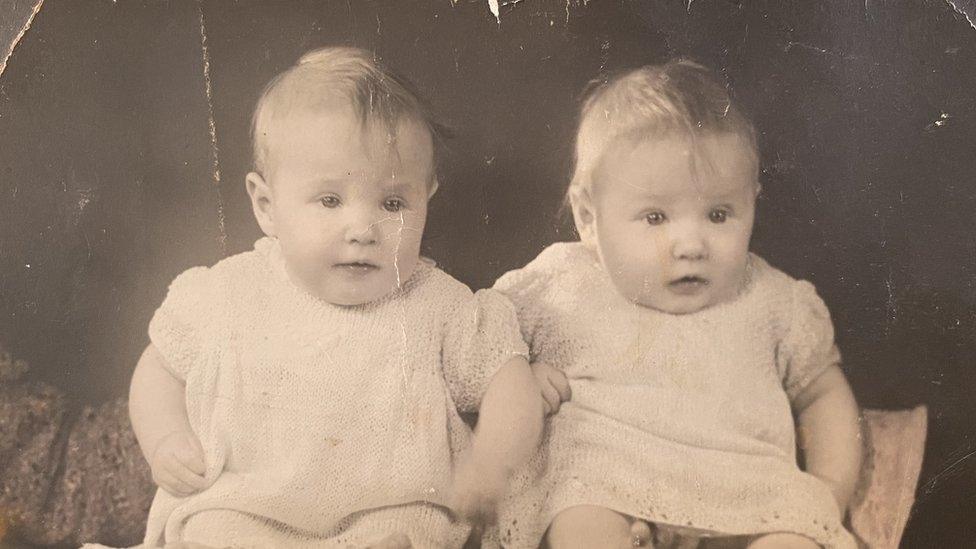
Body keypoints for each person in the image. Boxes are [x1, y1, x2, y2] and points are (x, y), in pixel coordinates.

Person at [127, 47, 564, 548]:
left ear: (427, 199)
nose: (362, 229)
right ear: (267, 206)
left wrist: (490, 462)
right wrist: (164, 440)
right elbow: (158, 367)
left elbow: (507, 379)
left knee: (417, 527)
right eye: (330, 200)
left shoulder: (438, 305)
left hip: (387, 514)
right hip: (248, 509)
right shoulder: (227, 291)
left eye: (392, 203)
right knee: (212, 527)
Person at [493, 61, 863, 548]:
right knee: (580, 520)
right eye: (655, 217)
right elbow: (479, 349)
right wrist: (516, 375)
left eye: (717, 214)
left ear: (753, 202)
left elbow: (824, 394)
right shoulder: (559, 284)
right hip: (607, 482)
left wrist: (828, 493)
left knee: (795, 540)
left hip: (749, 497)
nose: (691, 243)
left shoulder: (773, 299)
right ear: (589, 217)